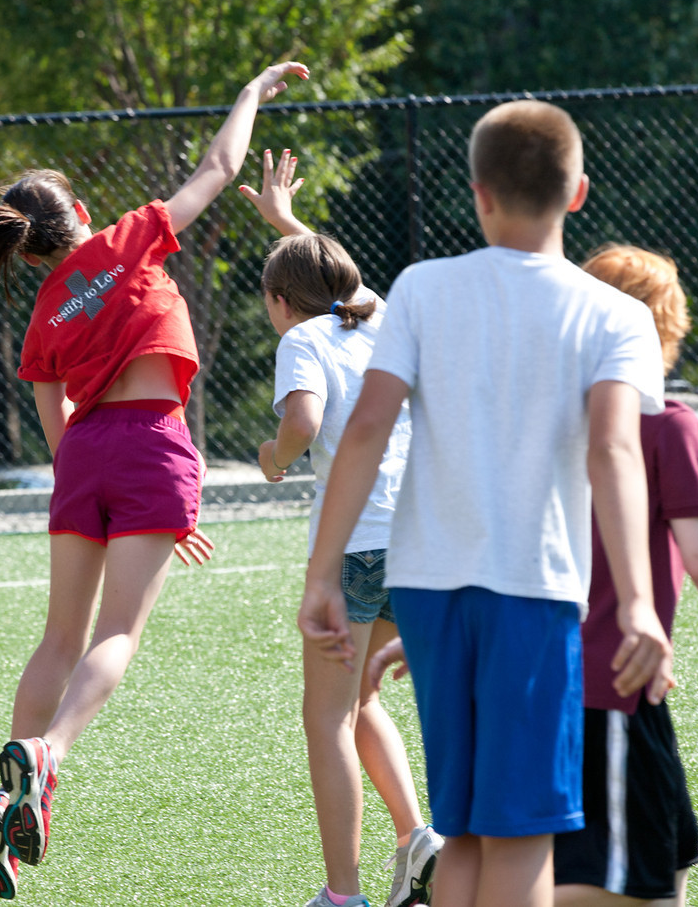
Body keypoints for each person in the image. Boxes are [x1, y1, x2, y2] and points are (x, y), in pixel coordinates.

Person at [0, 60, 309, 899]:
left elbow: (58, 431)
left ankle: (6, 802)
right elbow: (218, 169)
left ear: (26, 250)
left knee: (57, 639)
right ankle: (47, 756)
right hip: (150, 445)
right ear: (79, 215)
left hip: (85, 459)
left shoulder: (42, 313)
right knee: (119, 636)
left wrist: (116, 493)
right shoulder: (129, 239)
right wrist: (245, 94)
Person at [303, 100, 673, 907]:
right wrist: (640, 604)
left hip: (429, 595)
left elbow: (365, 430)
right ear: (578, 194)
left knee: (463, 830)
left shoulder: (422, 288)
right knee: (522, 841)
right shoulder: (617, 314)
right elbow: (613, 451)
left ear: (479, 193)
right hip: (532, 593)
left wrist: (322, 573)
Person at [553, 245, 698, 907]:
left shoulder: (558, 417)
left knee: (675, 844)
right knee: (632, 883)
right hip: (610, 680)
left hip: (575, 671)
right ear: (663, 325)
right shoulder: (665, 423)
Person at [243, 152, 442, 907]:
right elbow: (342, 282)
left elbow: (302, 421)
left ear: (278, 300)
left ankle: (342, 893)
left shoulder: (301, 341)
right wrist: (285, 221)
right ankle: (418, 841)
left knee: (325, 715)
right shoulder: (381, 318)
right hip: (420, 540)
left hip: (357, 545)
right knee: (361, 698)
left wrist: (273, 458)